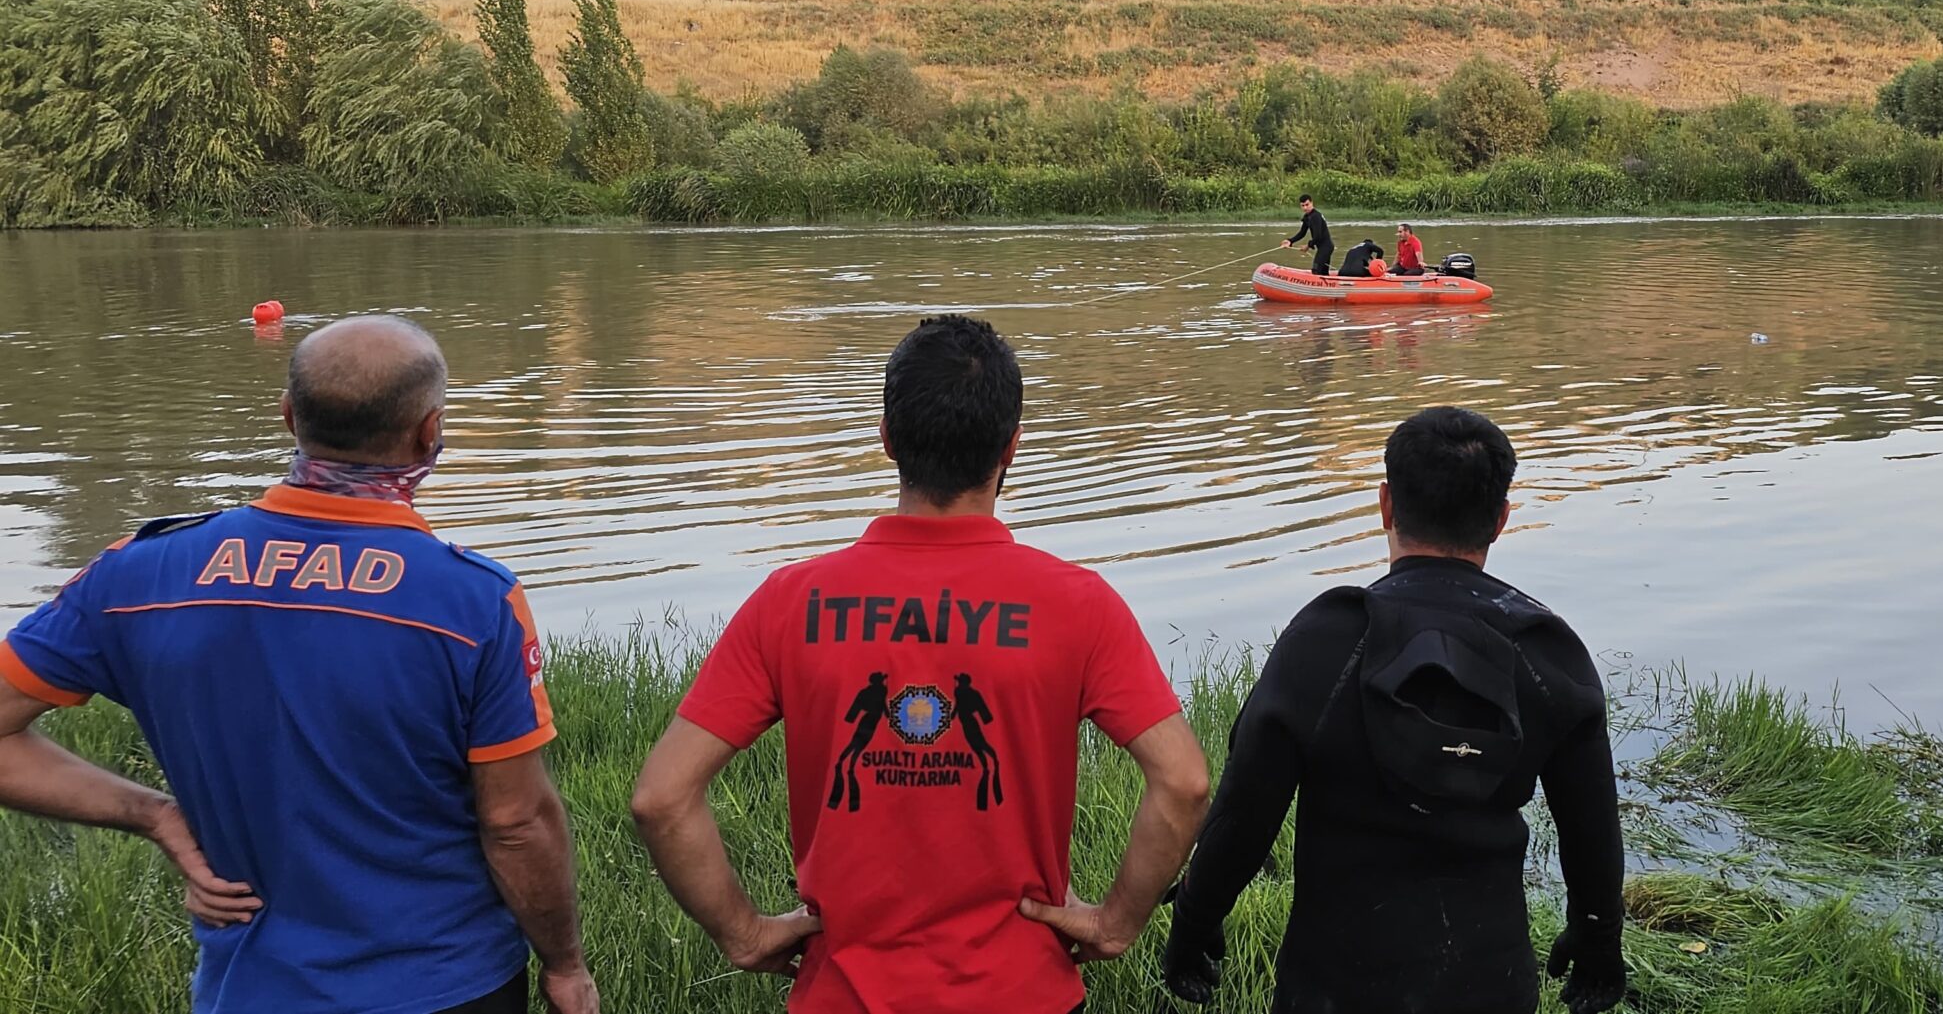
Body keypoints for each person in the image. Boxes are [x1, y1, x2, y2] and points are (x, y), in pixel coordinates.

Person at [0, 315, 596, 1014]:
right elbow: (517, 822)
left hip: (252, 987)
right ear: (429, 431)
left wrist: (154, 813)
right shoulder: (471, 601)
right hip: (445, 982)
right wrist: (564, 964)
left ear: (288, 417)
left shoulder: (137, 574)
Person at [632, 314, 1211, 1014]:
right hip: (1023, 993)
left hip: (844, 996)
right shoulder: (1077, 604)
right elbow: (1182, 781)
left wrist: (746, 933)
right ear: (1012, 448)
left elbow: (661, 797)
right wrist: (1116, 922)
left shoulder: (791, 601)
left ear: (886, 439)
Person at [1161, 406, 1625, 1014]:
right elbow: (1591, 827)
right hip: (1490, 981)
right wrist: (1597, 933)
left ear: (1385, 505)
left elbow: (1245, 814)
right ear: (1501, 520)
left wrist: (1196, 918)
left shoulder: (1327, 639)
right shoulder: (1546, 651)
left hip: (1334, 985)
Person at [1282, 195, 1334, 276]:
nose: (1305, 208)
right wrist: (1290, 241)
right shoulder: (1307, 217)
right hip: (1322, 247)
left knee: (1316, 270)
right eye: (1303, 206)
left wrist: (1308, 245)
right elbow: (1302, 233)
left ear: (1311, 203)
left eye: (1307, 205)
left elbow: (1318, 236)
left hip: (1326, 247)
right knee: (1323, 272)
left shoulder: (1315, 216)